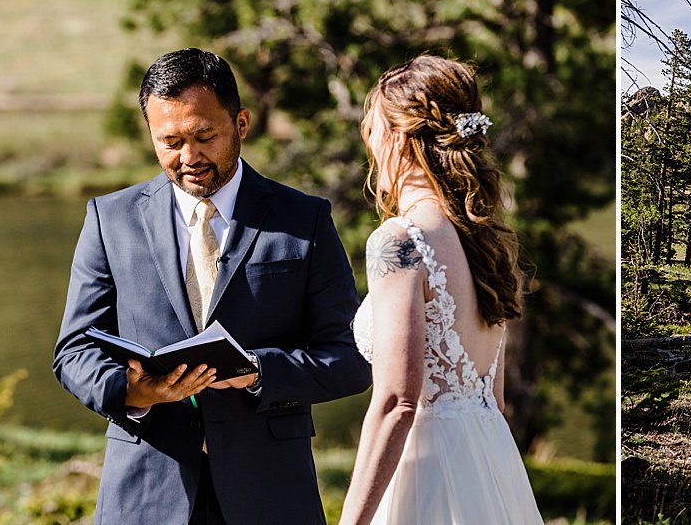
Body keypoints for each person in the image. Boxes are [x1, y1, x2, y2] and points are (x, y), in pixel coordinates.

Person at [52, 49, 371, 524]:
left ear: (241, 123)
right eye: (171, 142)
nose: (190, 157)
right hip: (145, 494)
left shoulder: (304, 220)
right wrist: (134, 393)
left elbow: (353, 358)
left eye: (204, 136)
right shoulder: (109, 219)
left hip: (271, 495)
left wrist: (259, 372)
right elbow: (74, 351)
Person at [339, 55, 544, 523]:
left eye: (371, 129)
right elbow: (493, 398)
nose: (368, 144)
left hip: (424, 474)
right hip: (488, 463)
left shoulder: (400, 241)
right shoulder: (487, 244)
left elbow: (396, 402)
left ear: (400, 137)